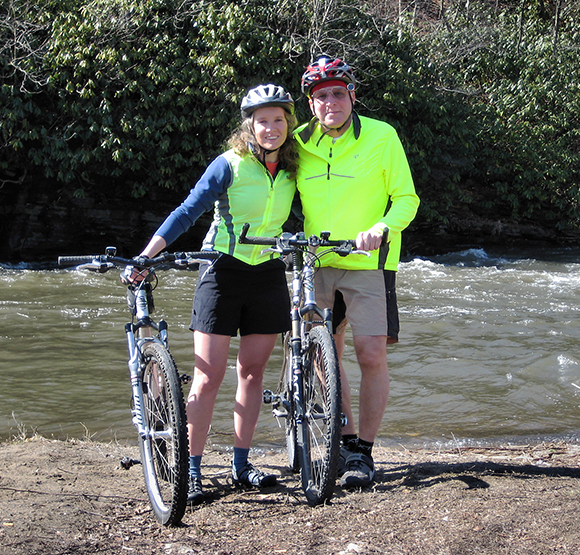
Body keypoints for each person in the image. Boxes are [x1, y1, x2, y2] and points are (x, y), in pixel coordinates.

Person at [130, 84, 298, 504]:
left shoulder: (298, 165)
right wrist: (147, 255)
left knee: (253, 374)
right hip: (221, 271)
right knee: (207, 377)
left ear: (288, 123)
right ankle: (192, 468)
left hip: (268, 272)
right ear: (250, 125)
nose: (271, 128)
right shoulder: (229, 164)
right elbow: (188, 210)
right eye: (263, 120)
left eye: (279, 119)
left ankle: (242, 464)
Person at [295, 56, 420, 488]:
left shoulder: (382, 136)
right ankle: (342, 438)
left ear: (352, 96)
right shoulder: (297, 143)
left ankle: (363, 451)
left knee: (370, 354)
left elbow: (407, 198)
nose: (330, 101)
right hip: (317, 262)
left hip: (369, 262)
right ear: (311, 103)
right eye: (321, 95)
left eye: (337, 93)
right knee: (324, 354)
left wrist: (381, 227)